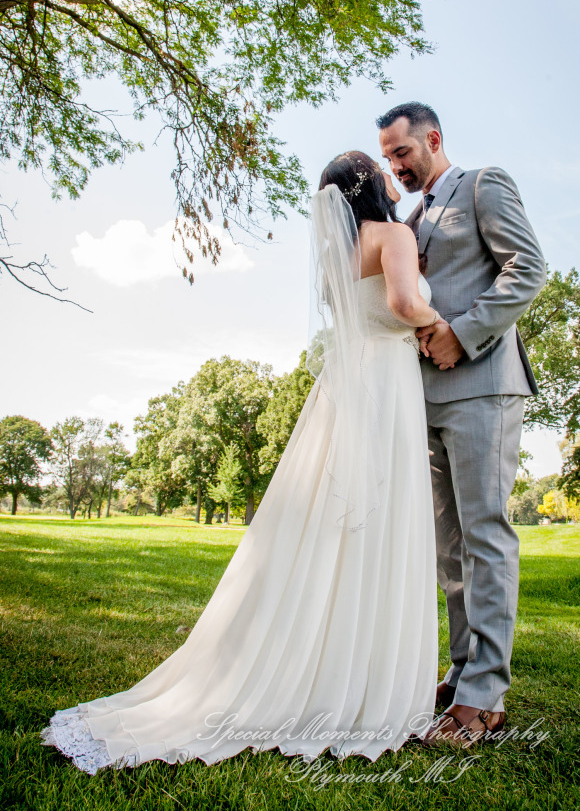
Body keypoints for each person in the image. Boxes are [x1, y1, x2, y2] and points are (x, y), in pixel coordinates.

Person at [41, 151, 442, 774]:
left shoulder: (340, 254)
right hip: (387, 385)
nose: (394, 175)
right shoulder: (392, 236)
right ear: (370, 184)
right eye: (383, 167)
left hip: (348, 385)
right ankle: (363, 681)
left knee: (332, 523)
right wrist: (437, 322)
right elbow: (402, 303)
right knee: (380, 517)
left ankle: (330, 659)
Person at [377, 102, 547, 748]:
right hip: (425, 401)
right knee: (449, 550)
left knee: (485, 537)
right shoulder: (408, 221)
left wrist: (464, 332)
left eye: (402, 152)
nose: (397, 165)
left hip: (483, 386)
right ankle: (461, 672)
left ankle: (486, 696)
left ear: (433, 138)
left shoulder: (482, 185)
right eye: (388, 157)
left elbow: (527, 268)